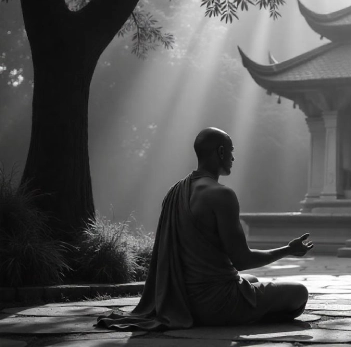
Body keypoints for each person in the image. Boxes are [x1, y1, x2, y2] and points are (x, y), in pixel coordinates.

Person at [97, 127, 313, 330]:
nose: (233, 158)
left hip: (178, 299)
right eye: (231, 152)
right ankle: (240, 317)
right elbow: (243, 260)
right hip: (216, 302)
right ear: (220, 151)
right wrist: (288, 250)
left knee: (252, 281)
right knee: (300, 294)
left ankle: (240, 312)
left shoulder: (175, 191)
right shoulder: (221, 195)